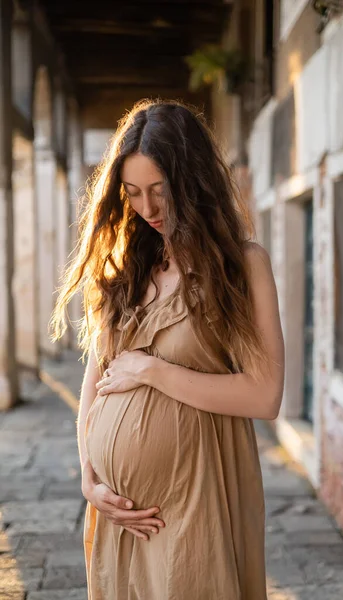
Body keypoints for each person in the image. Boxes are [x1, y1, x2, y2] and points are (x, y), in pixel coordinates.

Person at [51, 99, 285, 600]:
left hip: (197, 501)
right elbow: (96, 380)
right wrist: (92, 483)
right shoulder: (126, 268)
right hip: (119, 517)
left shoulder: (242, 267)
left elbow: (265, 395)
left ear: (193, 181)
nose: (148, 209)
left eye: (160, 190)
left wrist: (152, 371)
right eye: (132, 193)